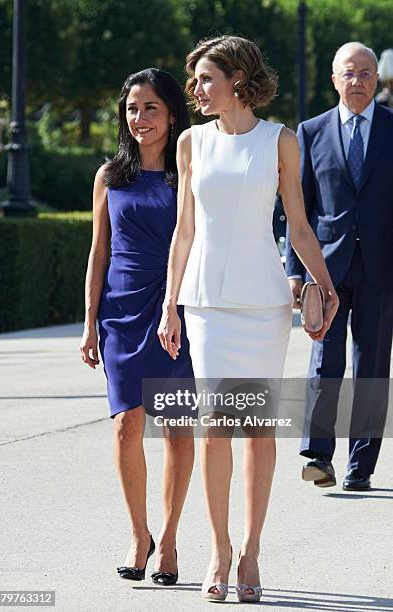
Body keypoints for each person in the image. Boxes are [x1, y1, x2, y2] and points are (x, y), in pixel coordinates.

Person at [158, 35, 338, 603]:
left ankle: (252, 549)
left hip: (262, 303)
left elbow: (298, 225)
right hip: (207, 302)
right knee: (214, 430)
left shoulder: (281, 141)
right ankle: (218, 548)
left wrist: (325, 285)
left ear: (237, 78)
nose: (196, 90)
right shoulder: (190, 143)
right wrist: (170, 303)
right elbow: (183, 230)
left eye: (206, 78)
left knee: (258, 432)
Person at [80, 68, 194, 585]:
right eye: (132, 108)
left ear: (172, 113)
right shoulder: (110, 176)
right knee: (127, 424)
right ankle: (138, 534)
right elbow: (98, 252)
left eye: (151, 107)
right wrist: (88, 323)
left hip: (177, 307)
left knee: (175, 428)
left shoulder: (190, 170)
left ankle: (168, 541)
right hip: (121, 313)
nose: (140, 118)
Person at [286, 42, 393, 491]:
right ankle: (317, 453)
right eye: (349, 74)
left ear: (377, 81)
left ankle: (360, 467)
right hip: (324, 268)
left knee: (371, 367)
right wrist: (295, 268)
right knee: (324, 359)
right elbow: (297, 207)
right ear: (334, 80)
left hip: (381, 269)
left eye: (366, 74)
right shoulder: (309, 132)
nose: (358, 82)